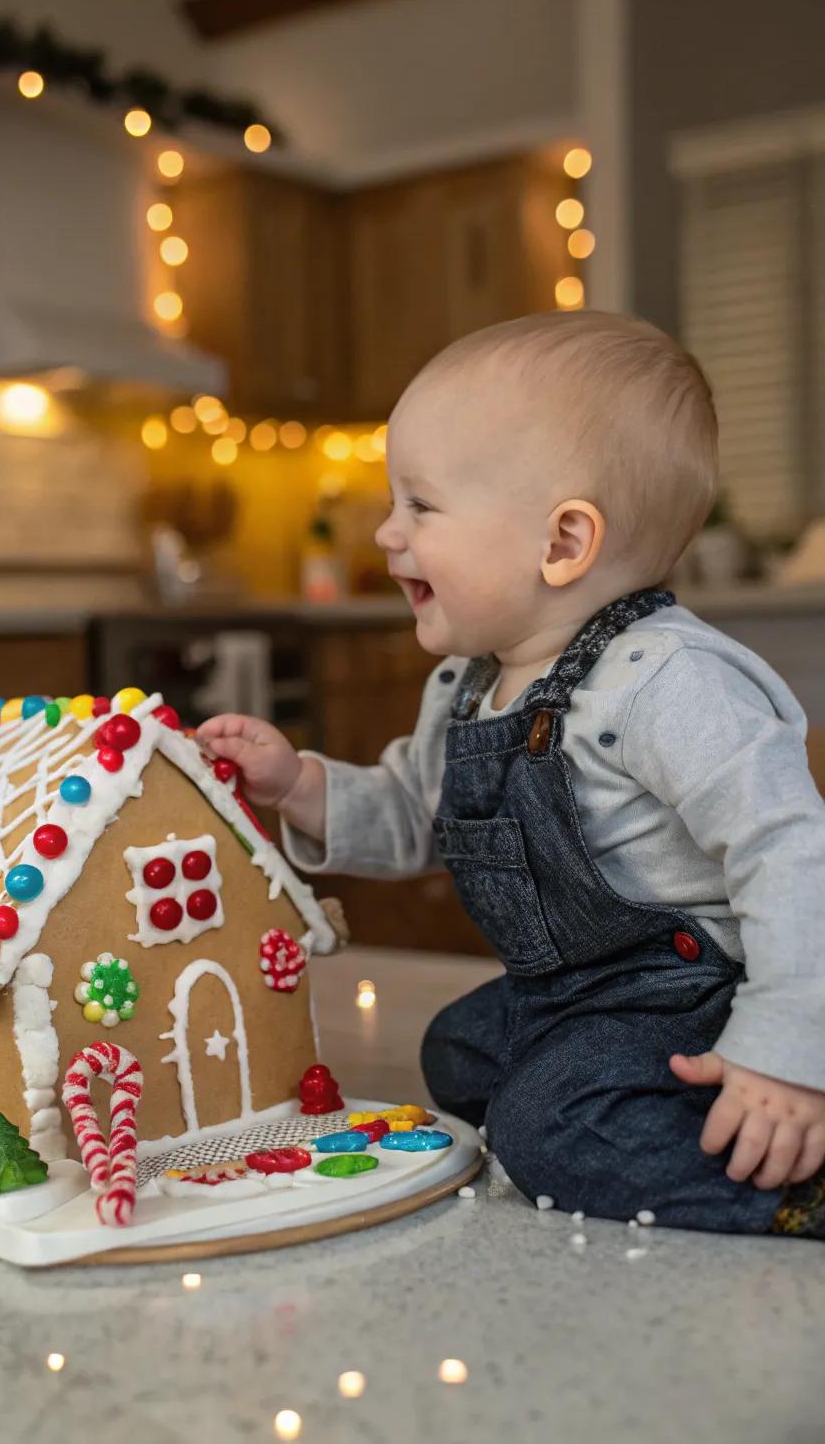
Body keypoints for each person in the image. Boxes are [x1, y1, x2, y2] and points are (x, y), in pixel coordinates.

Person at [198, 311, 825, 1236]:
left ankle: (789, 1190)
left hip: (698, 995)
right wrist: (299, 786)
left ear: (562, 543)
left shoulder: (669, 682)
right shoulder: (468, 682)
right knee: (458, 1051)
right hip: (574, 994)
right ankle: (656, 1123)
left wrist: (784, 1046)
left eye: (421, 505)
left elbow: (792, 854)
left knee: (542, 1131)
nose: (386, 535)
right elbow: (414, 811)